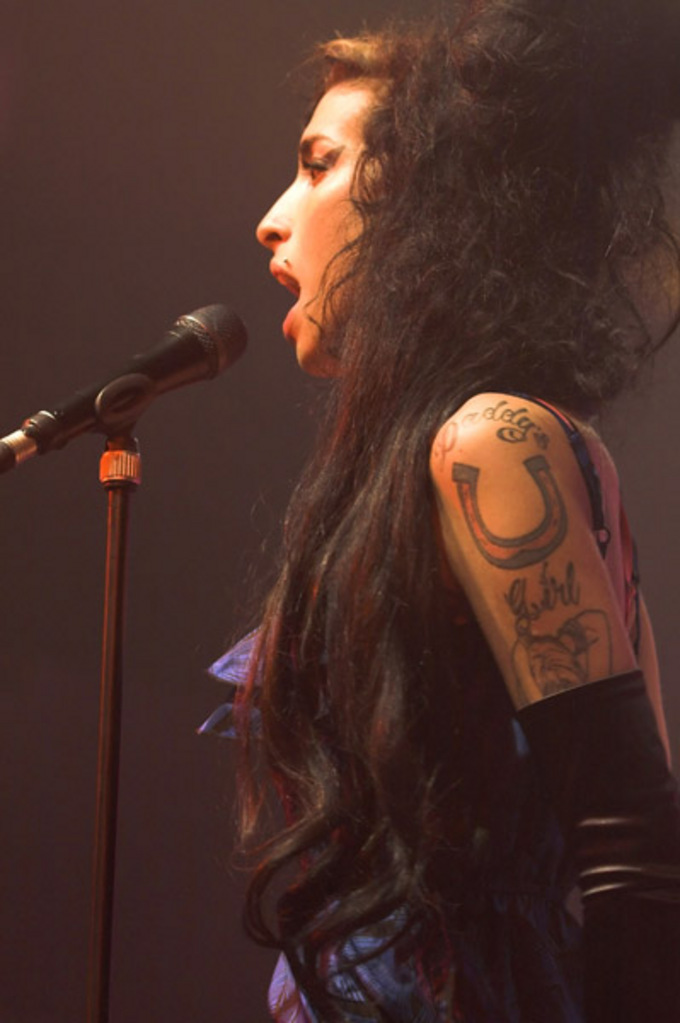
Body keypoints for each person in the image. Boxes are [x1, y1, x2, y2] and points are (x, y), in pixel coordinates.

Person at [201, 2, 680, 1019]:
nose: (273, 217)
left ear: (421, 200)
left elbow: (632, 849)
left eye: (319, 164)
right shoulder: (420, 462)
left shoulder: (492, 440)